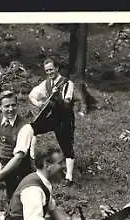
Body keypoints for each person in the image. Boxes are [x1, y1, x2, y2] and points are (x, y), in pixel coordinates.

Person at [28, 58, 76, 187]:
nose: (49, 72)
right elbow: (32, 95)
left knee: (66, 146)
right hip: (52, 117)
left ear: (57, 68)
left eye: (51, 69)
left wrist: (57, 96)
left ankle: (69, 178)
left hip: (65, 118)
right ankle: (31, 158)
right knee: (31, 129)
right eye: (47, 70)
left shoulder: (67, 83)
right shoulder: (46, 84)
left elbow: (67, 103)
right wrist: (39, 104)